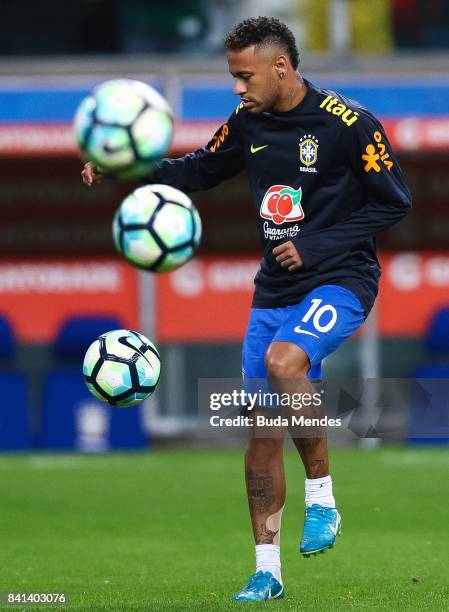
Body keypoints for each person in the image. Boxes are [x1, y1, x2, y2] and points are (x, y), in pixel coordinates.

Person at [82, 16, 411, 602]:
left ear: (280, 66)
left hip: (342, 279)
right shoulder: (248, 121)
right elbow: (201, 170)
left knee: (288, 363)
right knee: (260, 430)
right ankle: (266, 570)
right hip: (274, 290)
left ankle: (324, 499)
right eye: (233, 76)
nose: (237, 87)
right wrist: (129, 169)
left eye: (244, 75)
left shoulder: (350, 125)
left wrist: (316, 245)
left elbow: (395, 203)